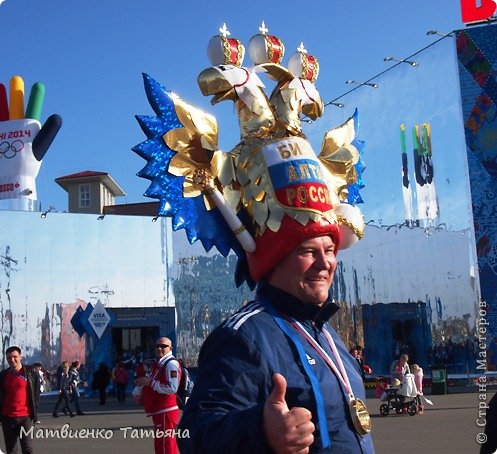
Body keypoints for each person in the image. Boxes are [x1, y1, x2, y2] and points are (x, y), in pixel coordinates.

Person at [178, 228, 374, 452]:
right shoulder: (242, 336)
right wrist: (261, 431)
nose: (324, 263)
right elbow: (193, 433)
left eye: (329, 251)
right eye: (308, 251)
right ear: (274, 259)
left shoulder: (325, 331)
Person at [135, 337, 181, 454]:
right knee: (161, 445)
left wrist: (149, 383)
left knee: (166, 445)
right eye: (157, 346)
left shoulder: (171, 364)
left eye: (163, 346)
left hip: (166, 410)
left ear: (170, 348)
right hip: (160, 411)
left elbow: (172, 387)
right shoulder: (159, 364)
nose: (159, 348)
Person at [0, 346, 38, 454]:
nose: (12, 360)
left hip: (25, 417)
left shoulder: (30, 373)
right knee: (11, 450)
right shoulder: (3, 375)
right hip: (8, 418)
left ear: (20, 357)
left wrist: (34, 414)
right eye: (9, 358)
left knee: (27, 449)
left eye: (14, 356)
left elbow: (36, 395)